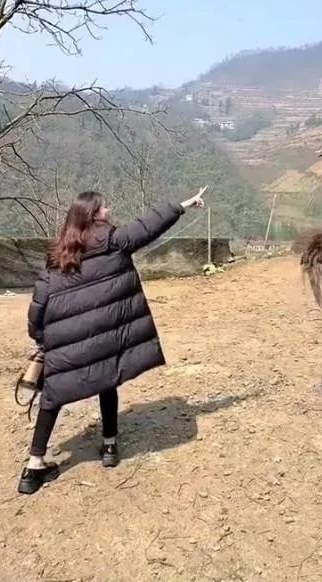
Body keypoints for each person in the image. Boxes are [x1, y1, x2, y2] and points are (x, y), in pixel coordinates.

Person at [17, 187, 207, 495]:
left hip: (69, 348)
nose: (110, 211)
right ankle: (108, 445)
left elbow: (37, 310)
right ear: (94, 216)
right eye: (105, 208)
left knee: (51, 397)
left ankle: (33, 466)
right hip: (105, 341)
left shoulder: (56, 260)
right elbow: (149, 224)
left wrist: (43, 340)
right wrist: (183, 205)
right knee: (108, 380)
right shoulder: (115, 242)